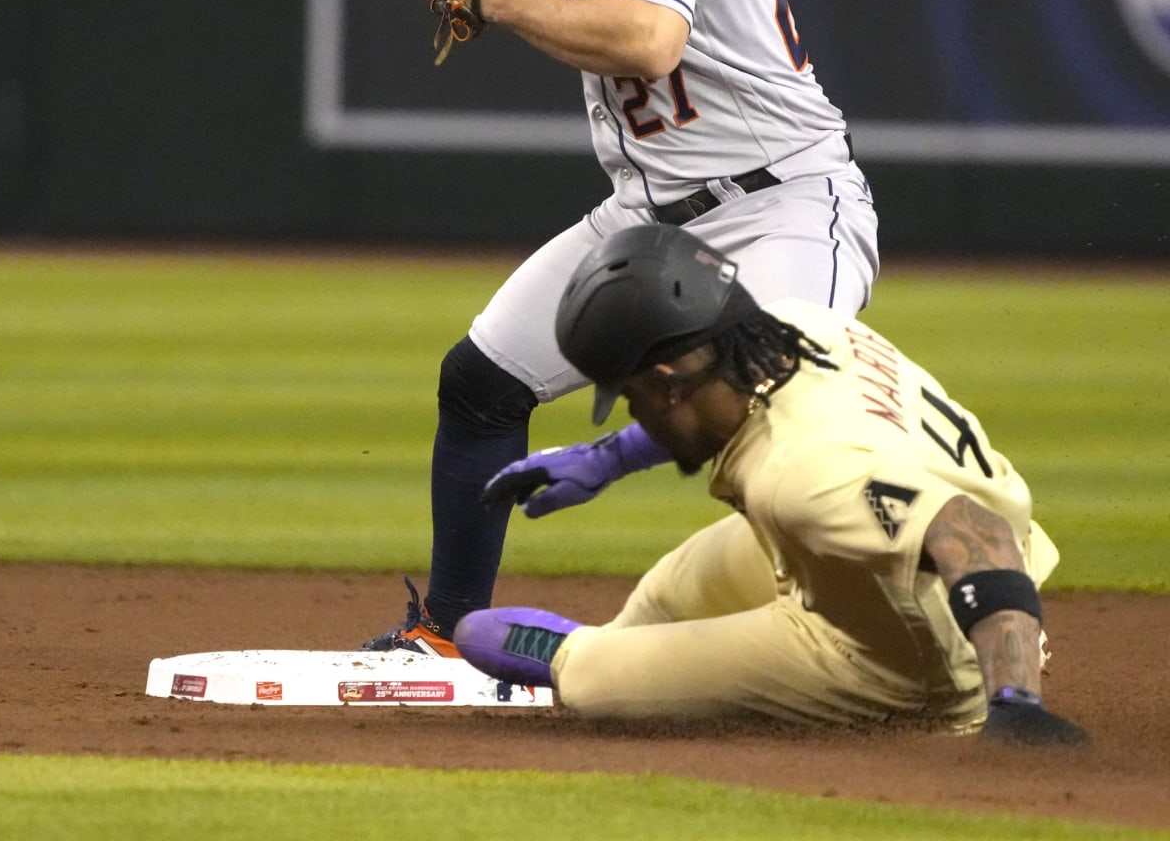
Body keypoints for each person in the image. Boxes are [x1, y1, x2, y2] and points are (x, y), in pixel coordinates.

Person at [365, 0, 878, 654]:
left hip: (782, 208)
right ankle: (446, 632)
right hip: (651, 215)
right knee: (481, 383)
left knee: (773, 418)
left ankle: (875, 640)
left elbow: (646, 41)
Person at [456, 224, 1089, 746]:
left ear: (670, 377)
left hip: (907, 655)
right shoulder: (796, 327)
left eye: (630, 395)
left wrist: (1015, 701)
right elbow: (718, 408)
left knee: (592, 680)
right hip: (867, 556)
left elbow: (970, 531)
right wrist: (607, 459)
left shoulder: (805, 472)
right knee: (669, 594)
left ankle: (581, 657)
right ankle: (636, 648)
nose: (630, 411)